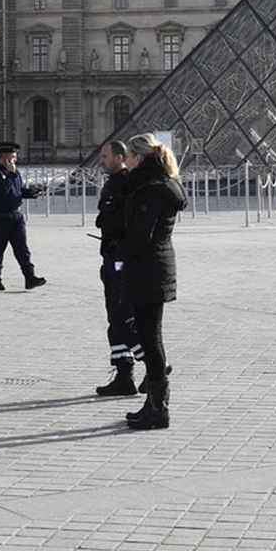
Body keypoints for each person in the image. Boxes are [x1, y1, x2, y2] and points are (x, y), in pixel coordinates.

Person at [119, 133, 186, 431]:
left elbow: (141, 235)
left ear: (139, 157)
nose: (125, 161)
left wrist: (121, 249)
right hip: (154, 266)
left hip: (148, 268)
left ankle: (159, 409)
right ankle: (154, 404)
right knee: (150, 337)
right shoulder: (157, 185)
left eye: (129, 157)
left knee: (151, 339)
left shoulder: (151, 189)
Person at [92, 139, 139, 397]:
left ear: (121, 157)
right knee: (116, 319)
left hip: (120, 259)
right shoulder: (120, 183)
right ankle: (124, 374)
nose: (102, 160)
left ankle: (156, 365)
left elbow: (118, 222)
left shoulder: (125, 184)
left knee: (122, 318)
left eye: (106, 155)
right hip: (114, 256)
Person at [0, 141, 46, 291]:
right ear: (4, 157)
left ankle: (30, 277)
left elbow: (18, 189)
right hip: (0, 216)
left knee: (22, 249)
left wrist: (32, 192)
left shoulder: (13, 171)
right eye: (12, 157)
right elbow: (1, 192)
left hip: (16, 216)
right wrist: (10, 174)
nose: (15, 160)